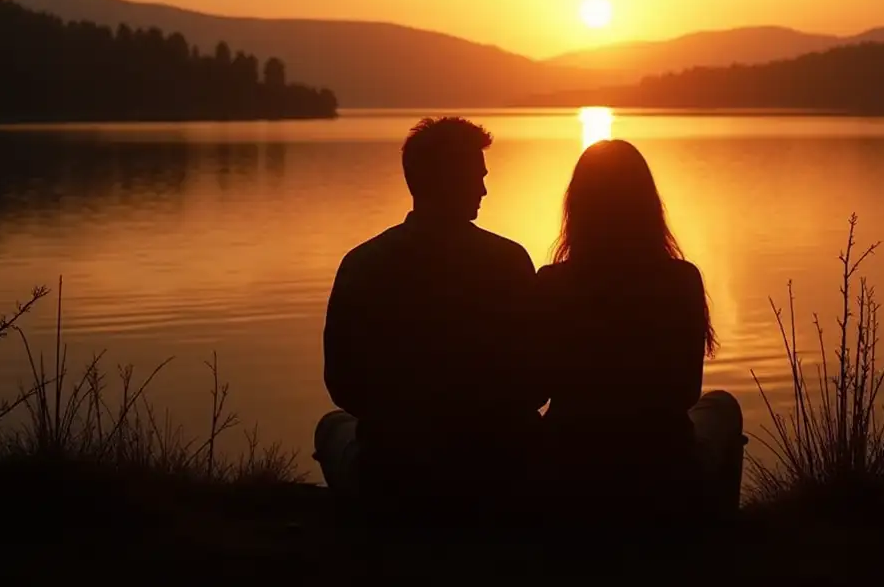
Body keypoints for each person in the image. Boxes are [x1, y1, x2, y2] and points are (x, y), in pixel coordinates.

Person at [314, 117, 545, 527]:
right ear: (448, 180)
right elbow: (538, 384)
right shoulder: (509, 262)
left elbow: (342, 385)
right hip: (501, 473)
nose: (484, 189)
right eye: (476, 176)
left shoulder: (363, 263)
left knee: (333, 427)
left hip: (397, 477)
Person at [536, 139, 745, 526]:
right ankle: (715, 532)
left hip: (572, 466)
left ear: (576, 208)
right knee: (722, 407)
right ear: (648, 206)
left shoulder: (551, 283)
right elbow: (686, 393)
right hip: (659, 464)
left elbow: (537, 389)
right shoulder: (682, 279)